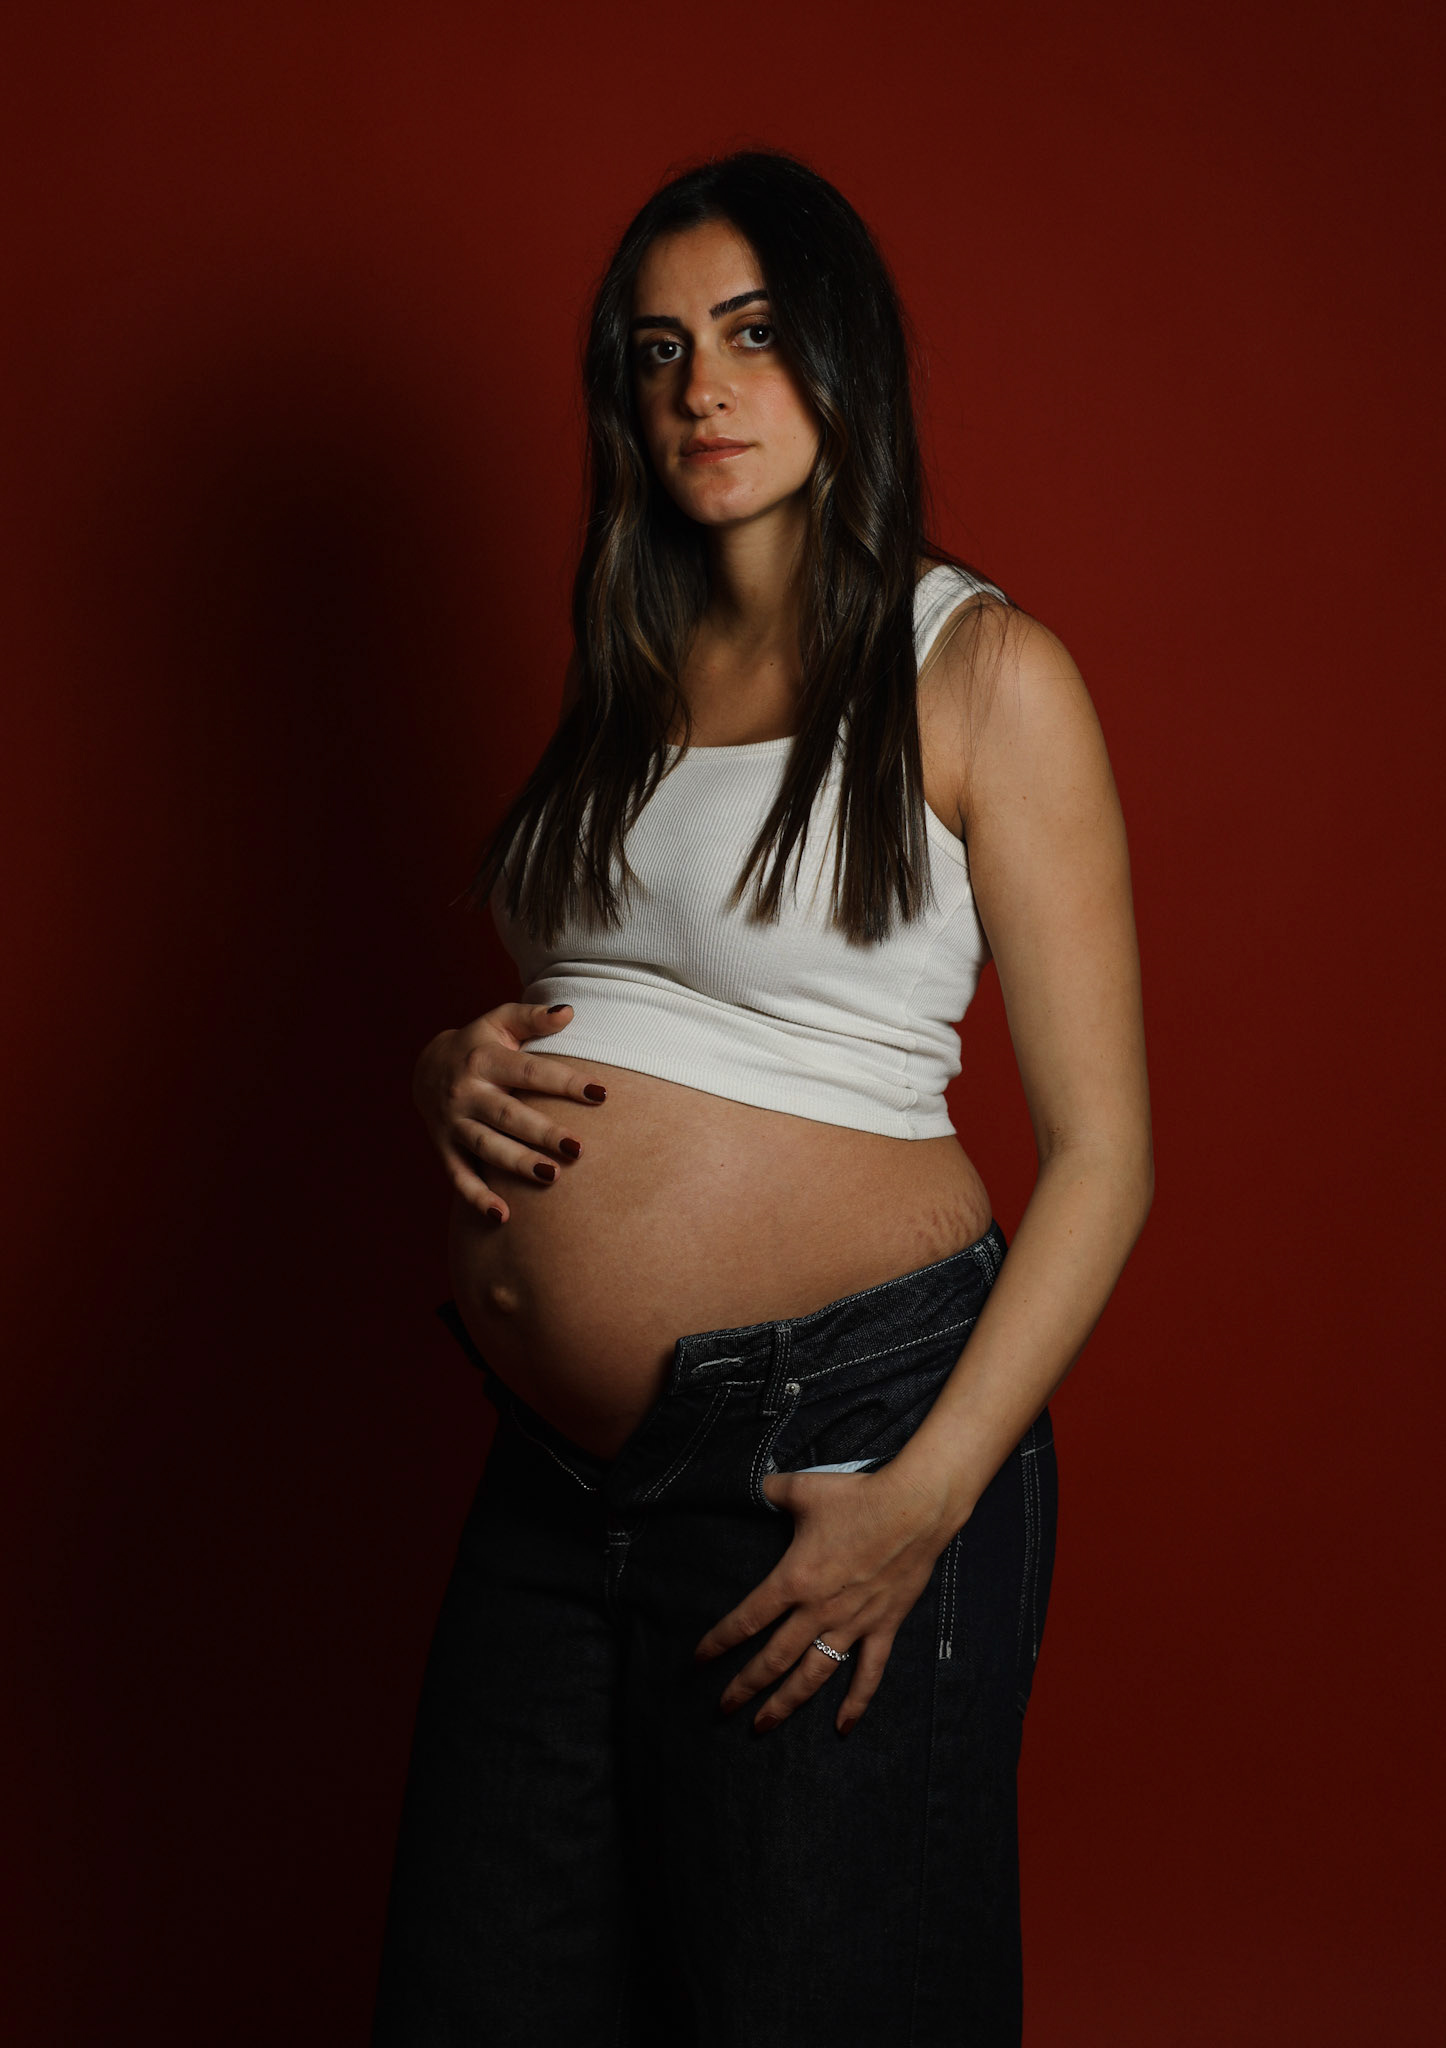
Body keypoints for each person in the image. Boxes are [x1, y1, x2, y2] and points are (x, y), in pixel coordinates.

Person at [371, 148, 1152, 2048]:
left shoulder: (980, 673)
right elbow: (610, 983)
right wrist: (447, 1067)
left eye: (748, 333)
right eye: (658, 352)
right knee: (484, 1996)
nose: (700, 389)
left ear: (840, 355)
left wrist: (923, 1501)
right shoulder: (631, 660)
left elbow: (1106, 1157)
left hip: (841, 1442)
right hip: (558, 1479)